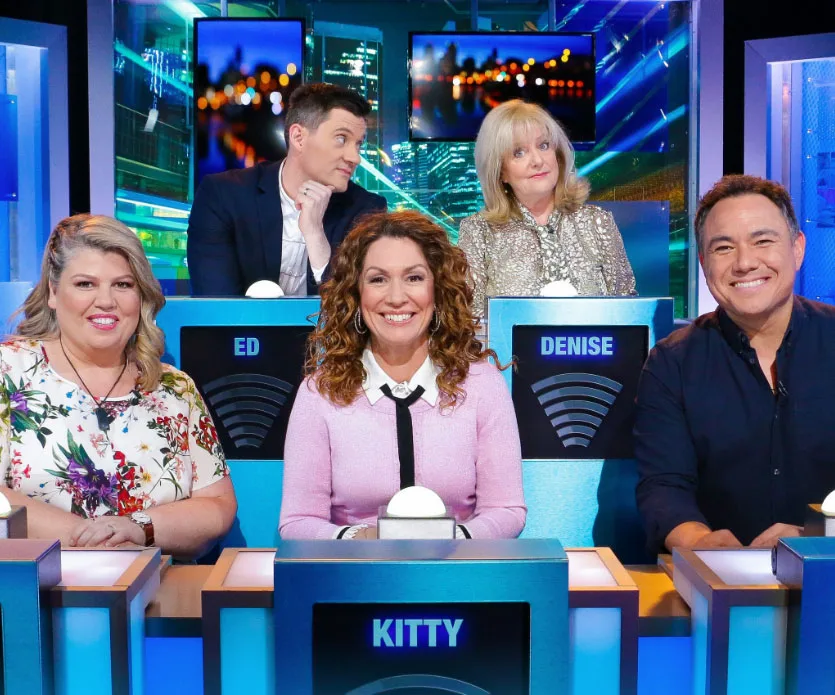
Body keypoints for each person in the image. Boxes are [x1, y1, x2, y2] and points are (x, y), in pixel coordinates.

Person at [279, 211, 526, 539]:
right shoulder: (320, 393)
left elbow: (506, 511)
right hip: (355, 567)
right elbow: (298, 522)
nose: (396, 298)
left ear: (437, 289)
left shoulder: (482, 385)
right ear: (356, 292)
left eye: (414, 278)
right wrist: (358, 539)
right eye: (378, 279)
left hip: (458, 565)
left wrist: (453, 541)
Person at [0, 214, 237, 556]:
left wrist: (137, 528)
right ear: (53, 291)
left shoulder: (174, 387)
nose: (106, 301)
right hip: (39, 585)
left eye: (123, 285)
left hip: (159, 584)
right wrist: (92, 538)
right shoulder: (9, 372)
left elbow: (217, 505)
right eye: (86, 284)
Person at [635, 174, 835, 553]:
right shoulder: (671, 364)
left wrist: (819, 540)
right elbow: (664, 487)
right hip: (718, 579)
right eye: (724, 248)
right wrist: (700, 542)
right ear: (703, 262)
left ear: (797, 249)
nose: (744, 263)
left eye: (763, 241)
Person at [187, 83, 387, 296]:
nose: (355, 158)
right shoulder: (222, 196)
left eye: (358, 145)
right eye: (341, 139)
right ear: (298, 138)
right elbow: (216, 303)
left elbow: (357, 306)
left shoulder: (366, 210)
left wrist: (315, 233)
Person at [459, 100, 636, 318]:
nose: (537, 160)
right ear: (500, 171)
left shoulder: (598, 222)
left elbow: (629, 312)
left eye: (543, 146)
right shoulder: (478, 232)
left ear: (558, 156)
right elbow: (469, 321)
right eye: (519, 152)